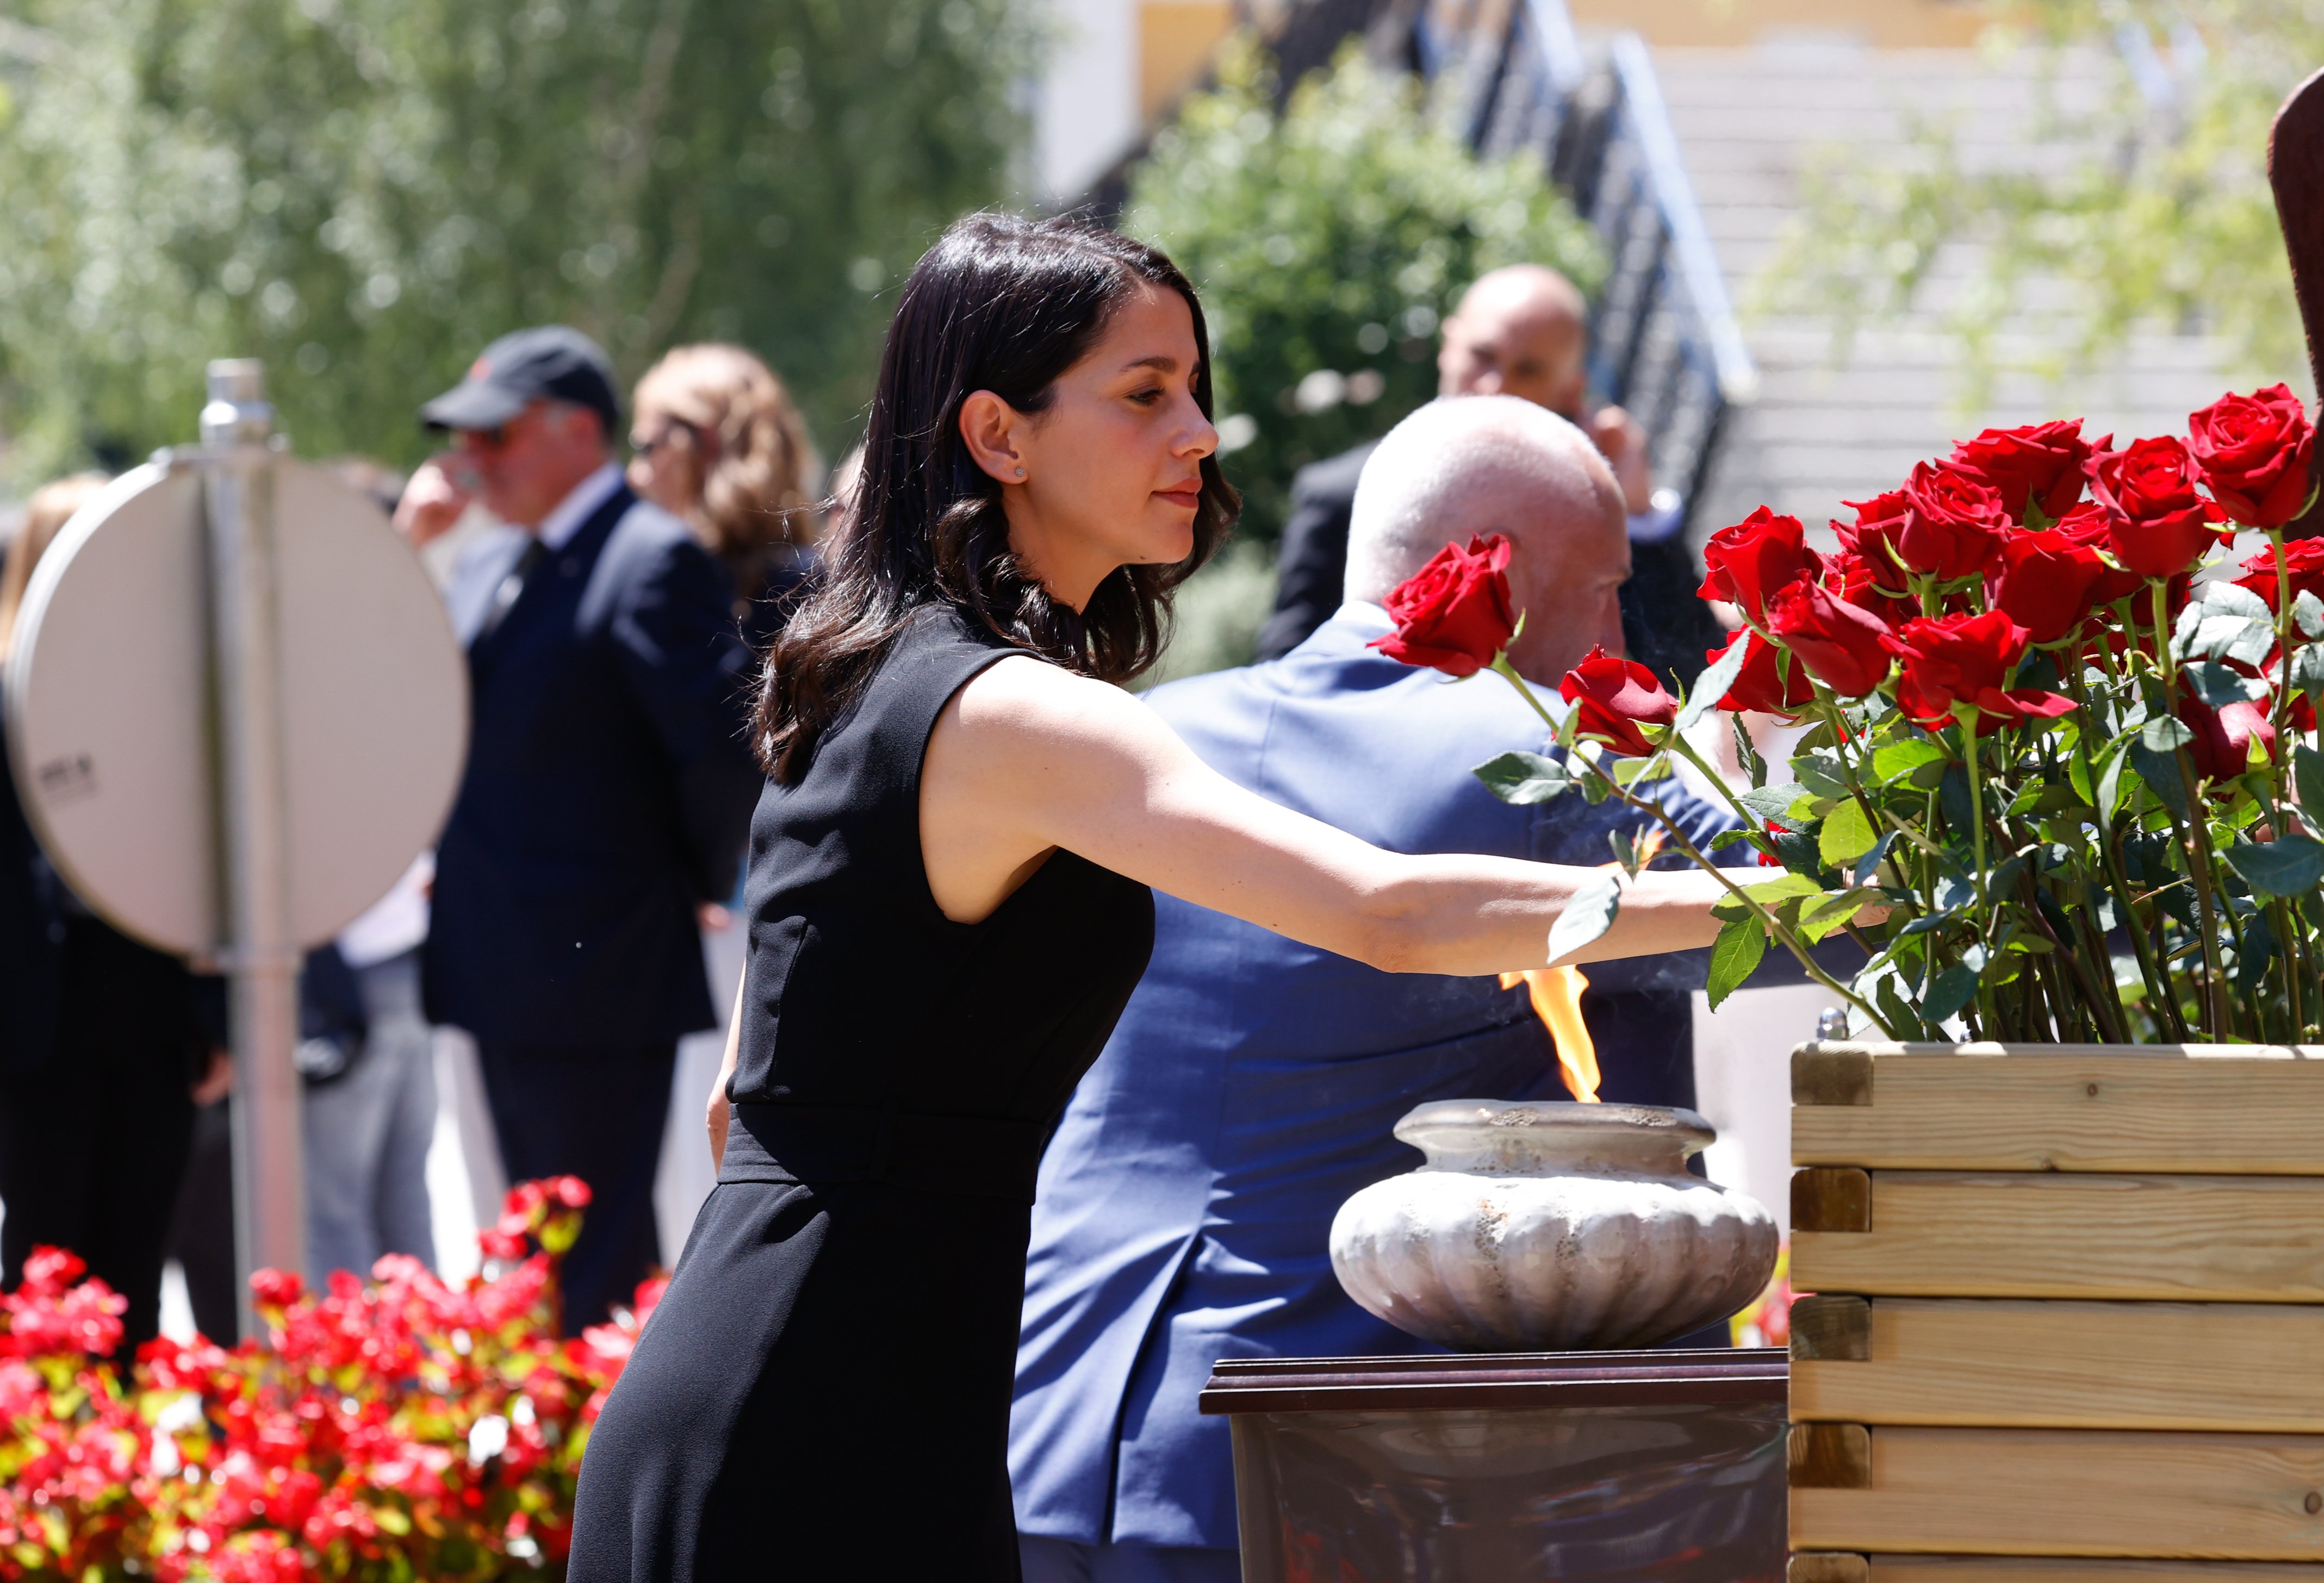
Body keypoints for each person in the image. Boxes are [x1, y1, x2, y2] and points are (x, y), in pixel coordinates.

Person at [564, 214, 1731, 1582]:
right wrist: (1771, 908)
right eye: (1143, 394)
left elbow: (741, 1111)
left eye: (1195, 388)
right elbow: (1390, 912)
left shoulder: (899, 682)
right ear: (999, 435)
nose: (1200, 434)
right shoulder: (1012, 716)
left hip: (825, 1390)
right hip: (819, 1428)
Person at [1006, 395, 1745, 1582]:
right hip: (1342, 1469)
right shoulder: (1549, 757)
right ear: (1491, 571)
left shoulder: (1150, 738)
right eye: (1611, 588)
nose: (1620, 630)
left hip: (1055, 1435)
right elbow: (1855, 905)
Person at [399, 326, 761, 1331]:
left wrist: (686, 878)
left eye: (497, 435)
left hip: (594, 980)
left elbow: (723, 753)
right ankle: (554, 1479)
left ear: (578, 430)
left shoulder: (649, 558)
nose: (474, 459)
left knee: (591, 1262)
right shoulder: (528, 560)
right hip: (513, 973)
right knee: (532, 1264)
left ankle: (594, 1488)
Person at [1253, 263, 1725, 691]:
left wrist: (1637, 517)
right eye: (1482, 354)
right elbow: (1288, 674)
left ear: (1572, 392)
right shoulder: (1339, 496)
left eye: (1529, 369)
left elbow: (1690, 671)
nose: (1494, 385)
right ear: (1448, 344)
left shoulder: (1590, 512)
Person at [0, 473, 223, 1345]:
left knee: (136, 1265)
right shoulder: (9, 693)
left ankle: (119, 1472)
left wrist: (218, 1020)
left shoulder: (163, 702)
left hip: (153, 1017)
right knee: (44, 1269)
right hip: (36, 1027)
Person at [626, 343, 823, 653]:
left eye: (647, 448)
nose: (634, 475)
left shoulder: (795, 589)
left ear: (703, 447)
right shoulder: (810, 585)